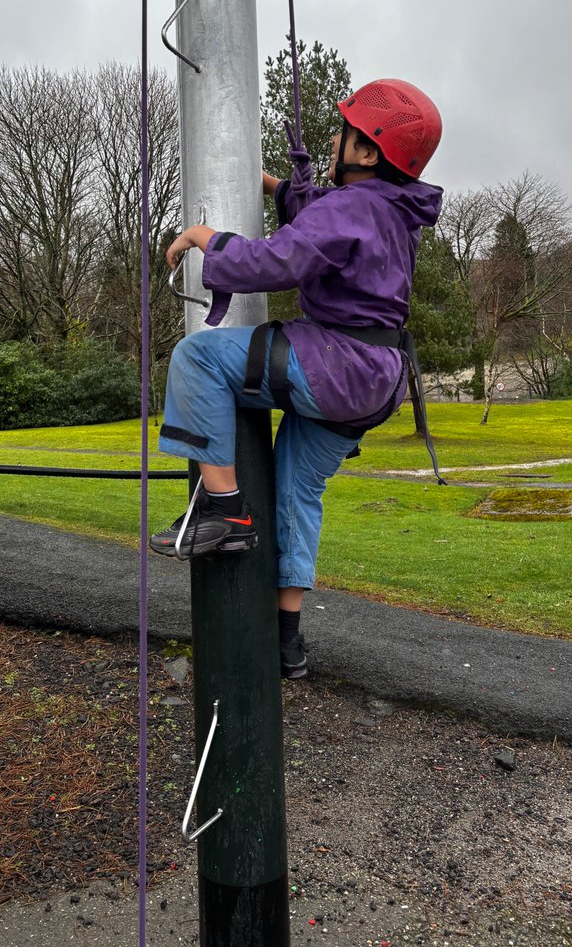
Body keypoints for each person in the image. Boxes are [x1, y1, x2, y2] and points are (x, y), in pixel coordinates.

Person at [149, 78, 443, 679]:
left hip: (339, 364)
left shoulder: (353, 207)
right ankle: (287, 640)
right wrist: (272, 187)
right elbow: (325, 222)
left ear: (367, 153)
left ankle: (223, 508)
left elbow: (271, 262)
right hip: (376, 383)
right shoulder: (391, 211)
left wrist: (206, 236)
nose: (334, 138)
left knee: (198, 357)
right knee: (295, 491)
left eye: (346, 132)